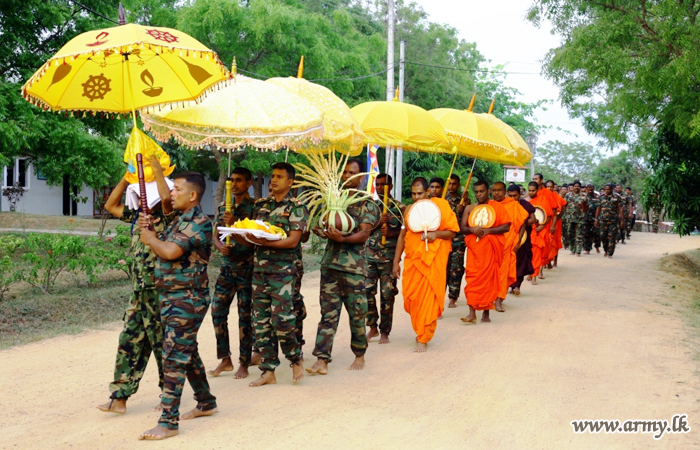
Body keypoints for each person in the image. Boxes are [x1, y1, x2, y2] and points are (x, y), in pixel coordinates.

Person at [137, 172, 217, 440]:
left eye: (177, 189)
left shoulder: (200, 223)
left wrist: (150, 239)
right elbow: (166, 242)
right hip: (173, 296)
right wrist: (150, 230)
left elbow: (171, 251)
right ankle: (206, 402)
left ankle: (168, 422)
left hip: (187, 298)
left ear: (192, 195)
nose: (171, 193)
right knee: (186, 351)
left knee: (173, 355)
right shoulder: (180, 221)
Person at [97, 155, 173, 415]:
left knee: (162, 342)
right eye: (139, 196)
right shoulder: (135, 217)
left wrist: (154, 171)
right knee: (129, 340)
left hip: (159, 289)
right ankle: (119, 396)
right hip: (139, 291)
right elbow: (110, 204)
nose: (141, 201)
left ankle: (168, 394)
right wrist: (128, 177)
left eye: (144, 196)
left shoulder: (168, 216)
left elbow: (166, 201)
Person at [238, 163, 307, 387]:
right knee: (260, 323)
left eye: (279, 177)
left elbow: (293, 241)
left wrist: (265, 241)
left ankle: (295, 358)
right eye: (272, 176)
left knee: (283, 320)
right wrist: (234, 232)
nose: (273, 180)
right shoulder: (261, 205)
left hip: (283, 272)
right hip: (260, 271)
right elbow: (249, 235)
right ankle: (268, 370)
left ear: (290, 182)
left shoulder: (296, 207)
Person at [308, 159, 380, 374]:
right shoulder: (331, 200)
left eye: (353, 173)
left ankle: (359, 355)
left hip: (354, 269)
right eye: (345, 172)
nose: (348, 176)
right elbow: (320, 224)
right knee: (328, 314)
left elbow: (364, 234)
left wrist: (342, 239)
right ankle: (322, 359)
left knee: (357, 314)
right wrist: (324, 232)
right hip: (330, 265)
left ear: (361, 177)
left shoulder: (367, 204)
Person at [392, 177, 458, 351]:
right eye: (413, 194)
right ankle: (420, 330)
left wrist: (436, 235)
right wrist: (395, 261)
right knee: (411, 298)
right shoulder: (409, 210)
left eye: (420, 193)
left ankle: (424, 337)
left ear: (428, 192)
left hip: (432, 262)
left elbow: (452, 232)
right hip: (413, 262)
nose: (416, 197)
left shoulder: (441, 206)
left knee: (428, 299)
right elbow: (402, 236)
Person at [208, 168, 260, 380]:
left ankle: (244, 362)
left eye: (239, 180)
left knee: (245, 316)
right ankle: (225, 358)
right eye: (232, 180)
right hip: (227, 268)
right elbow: (216, 234)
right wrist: (220, 247)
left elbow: (256, 239)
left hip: (247, 268)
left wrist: (235, 224)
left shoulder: (255, 208)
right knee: (217, 310)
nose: (235, 184)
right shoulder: (223, 207)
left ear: (248, 183)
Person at [461, 180, 511, 323]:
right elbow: (462, 228)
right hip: (475, 250)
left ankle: (486, 313)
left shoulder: (496, 207)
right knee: (472, 278)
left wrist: (488, 231)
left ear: (488, 191)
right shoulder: (470, 208)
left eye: (482, 191)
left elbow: (506, 227)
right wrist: (472, 229)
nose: (479, 194)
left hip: (490, 249)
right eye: (476, 192)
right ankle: (471, 313)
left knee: (489, 280)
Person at [366, 173, 405, 344]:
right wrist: (377, 223)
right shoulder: (370, 206)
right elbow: (363, 229)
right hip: (369, 256)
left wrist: (391, 232)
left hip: (388, 258)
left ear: (391, 186)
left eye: (384, 185)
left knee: (387, 294)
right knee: (366, 292)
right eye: (378, 185)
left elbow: (405, 232)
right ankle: (372, 326)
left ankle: (384, 331)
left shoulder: (399, 208)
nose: (381, 188)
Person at [492, 182, 528, 312]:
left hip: (507, 244)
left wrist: (518, 241)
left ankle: (499, 300)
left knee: (503, 272)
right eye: (494, 190)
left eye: (499, 190)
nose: (497, 193)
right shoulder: (489, 205)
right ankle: (490, 297)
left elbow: (523, 221)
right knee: (491, 272)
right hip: (492, 243)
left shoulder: (513, 205)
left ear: (504, 191)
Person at [444, 174, 469, 308]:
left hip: (458, 240)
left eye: (454, 184)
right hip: (444, 238)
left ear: (458, 185)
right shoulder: (442, 200)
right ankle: (439, 296)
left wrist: (463, 208)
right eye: (450, 183)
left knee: (456, 269)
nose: (452, 186)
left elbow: (469, 219)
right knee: (443, 269)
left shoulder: (465, 200)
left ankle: (453, 296)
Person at [507, 185, 536, 295]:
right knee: (509, 262)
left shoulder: (525, 205)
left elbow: (532, 219)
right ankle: (510, 285)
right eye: (510, 196)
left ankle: (516, 286)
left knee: (521, 262)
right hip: (507, 237)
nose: (513, 198)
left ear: (520, 194)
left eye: (515, 195)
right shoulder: (504, 205)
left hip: (522, 237)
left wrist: (519, 223)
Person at [527, 181, 555, 284]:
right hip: (530, 230)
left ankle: (535, 276)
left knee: (538, 253)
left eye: (533, 190)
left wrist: (543, 225)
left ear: (537, 190)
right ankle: (531, 273)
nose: (531, 192)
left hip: (540, 231)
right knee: (530, 254)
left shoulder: (543, 200)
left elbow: (549, 215)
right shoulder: (526, 201)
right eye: (529, 190)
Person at [595, 183, 623, 258]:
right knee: (603, 236)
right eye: (606, 189)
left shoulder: (617, 197)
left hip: (613, 220)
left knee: (611, 236)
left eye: (609, 189)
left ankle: (610, 253)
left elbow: (620, 208)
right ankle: (606, 250)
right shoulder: (601, 197)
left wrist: (622, 218)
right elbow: (598, 208)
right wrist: (596, 219)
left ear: (612, 189)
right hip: (602, 220)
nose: (607, 191)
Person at [546, 180, 567, 267]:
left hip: (556, 222)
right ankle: (547, 261)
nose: (550, 188)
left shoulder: (558, 197)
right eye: (548, 187)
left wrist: (558, 217)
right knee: (546, 241)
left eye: (551, 187)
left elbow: (563, 208)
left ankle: (555, 260)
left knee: (555, 241)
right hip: (546, 222)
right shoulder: (543, 196)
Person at [564, 181, 588, 257]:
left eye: (578, 186)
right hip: (570, 218)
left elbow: (587, 207)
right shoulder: (568, 195)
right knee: (570, 234)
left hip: (580, 219)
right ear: (573, 187)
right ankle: (572, 249)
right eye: (575, 186)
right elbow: (564, 205)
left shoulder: (584, 196)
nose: (576, 187)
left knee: (579, 235)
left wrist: (582, 213)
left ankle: (578, 251)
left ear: (580, 187)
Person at [583, 184, 601, 254]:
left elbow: (599, 208)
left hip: (595, 218)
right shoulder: (583, 197)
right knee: (587, 234)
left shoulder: (597, 198)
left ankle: (597, 247)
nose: (590, 191)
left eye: (591, 189)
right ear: (586, 189)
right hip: (586, 218)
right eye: (588, 189)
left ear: (593, 189)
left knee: (596, 234)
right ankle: (587, 249)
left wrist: (597, 219)